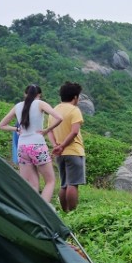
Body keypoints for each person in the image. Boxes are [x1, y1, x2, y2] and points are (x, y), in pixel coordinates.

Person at [0, 84, 64, 203]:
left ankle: (31, 213)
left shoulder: (17, 106)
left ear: (25, 94)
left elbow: (1, 125)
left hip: (22, 148)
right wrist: (46, 130)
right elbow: (59, 118)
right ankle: (44, 212)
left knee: (32, 185)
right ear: (39, 95)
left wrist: (16, 129)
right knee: (50, 181)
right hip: (37, 146)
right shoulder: (41, 104)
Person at [47, 82, 86, 213]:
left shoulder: (54, 110)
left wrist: (56, 146)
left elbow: (50, 131)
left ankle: (65, 212)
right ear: (75, 97)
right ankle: (73, 212)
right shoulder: (74, 110)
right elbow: (74, 131)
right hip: (73, 150)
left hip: (60, 153)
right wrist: (63, 145)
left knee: (64, 184)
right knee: (72, 184)